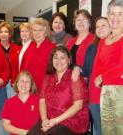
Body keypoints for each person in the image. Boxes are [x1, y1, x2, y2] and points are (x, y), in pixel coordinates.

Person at [27, 46, 89, 135]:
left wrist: (55, 121)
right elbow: (42, 100)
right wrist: (44, 120)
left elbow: (78, 105)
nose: (58, 61)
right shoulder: (48, 78)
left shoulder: (75, 77)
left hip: (70, 122)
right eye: (55, 57)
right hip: (49, 120)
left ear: (69, 60)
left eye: (62, 57)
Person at [93, 0, 123, 135]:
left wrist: (103, 77)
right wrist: (99, 79)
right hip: (105, 91)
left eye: (120, 14)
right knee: (107, 131)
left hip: (120, 91)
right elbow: (98, 65)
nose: (115, 18)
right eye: (111, 14)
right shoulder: (103, 41)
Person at [83, 17, 110, 135]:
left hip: (110, 95)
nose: (100, 28)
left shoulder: (117, 45)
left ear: (111, 27)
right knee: (98, 129)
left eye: (103, 25)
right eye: (97, 27)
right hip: (94, 95)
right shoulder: (91, 48)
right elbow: (86, 71)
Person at [1, 71, 40, 135]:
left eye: (27, 82)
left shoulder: (38, 101)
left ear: (31, 85)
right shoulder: (9, 103)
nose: (24, 84)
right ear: (17, 83)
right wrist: (24, 132)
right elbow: (6, 125)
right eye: (22, 81)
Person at [28, 18, 55, 92]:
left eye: (40, 30)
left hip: (45, 90)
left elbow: (55, 72)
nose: (37, 33)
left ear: (46, 33)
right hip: (31, 89)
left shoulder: (52, 48)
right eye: (35, 30)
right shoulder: (31, 47)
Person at [0, 22, 21, 97]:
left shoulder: (17, 48)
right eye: (1, 32)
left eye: (6, 32)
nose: (3, 34)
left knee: (13, 105)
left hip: (13, 82)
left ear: (10, 34)